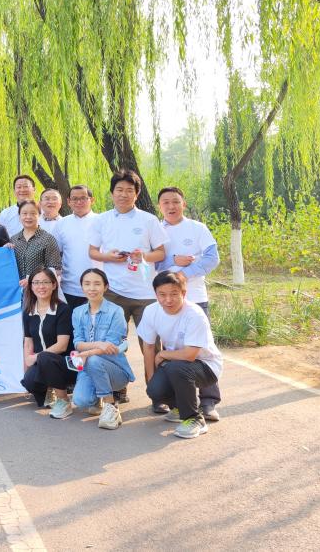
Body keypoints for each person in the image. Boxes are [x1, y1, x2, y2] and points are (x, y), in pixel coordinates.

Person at [88, 168, 168, 403]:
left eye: (129, 190)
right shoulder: (102, 220)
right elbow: (92, 251)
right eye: (119, 190)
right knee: (112, 344)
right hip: (113, 292)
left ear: (137, 193)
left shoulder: (149, 220)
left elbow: (161, 252)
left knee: (151, 345)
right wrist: (110, 257)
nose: (123, 194)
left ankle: (158, 394)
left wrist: (143, 256)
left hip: (145, 294)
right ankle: (117, 389)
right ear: (112, 192)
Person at [157, 185, 222, 421]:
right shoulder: (156, 231)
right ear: (159, 206)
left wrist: (183, 275)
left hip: (195, 296)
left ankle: (208, 401)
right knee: (171, 348)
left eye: (175, 201)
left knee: (202, 348)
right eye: (166, 202)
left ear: (183, 204)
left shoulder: (197, 228)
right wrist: (173, 260)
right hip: (166, 302)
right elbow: (150, 263)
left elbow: (212, 258)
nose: (171, 206)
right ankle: (176, 402)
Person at [138, 270, 223, 439]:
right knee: (155, 390)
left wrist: (163, 354)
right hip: (177, 363)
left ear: (184, 293)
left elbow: (190, 355)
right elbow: (148, 347)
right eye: (162, 294)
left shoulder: (194, 314)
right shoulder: (151, 311)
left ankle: (194, 419)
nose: (168, 300)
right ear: (155, 294)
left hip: (206, 367)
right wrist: (152, 379)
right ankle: (178, 407)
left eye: (174, 294)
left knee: (176, 368)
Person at [51, 268, 135, 430]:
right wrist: (99, 344)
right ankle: (97, 399)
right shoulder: (77, 312)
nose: (91, 288)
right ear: (82, 287)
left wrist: (88, 352)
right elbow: (78, 343)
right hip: (89, 367)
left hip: (115, 370)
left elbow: (110, 346)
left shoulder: (116, 311)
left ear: (106, 286)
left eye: (97, 284)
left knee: (94, 359)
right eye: (87, 284)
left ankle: (111, 406)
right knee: (81, 401)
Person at [20, 269, 73, 408]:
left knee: (45, 358)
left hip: (62, 363)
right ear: (31, 286)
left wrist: (36, 356)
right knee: (29, 381)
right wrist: (27, 367)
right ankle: (48, 388)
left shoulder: (63, 309)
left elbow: (62, 345)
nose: (41, 286)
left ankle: (63, 400)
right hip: (41, 361)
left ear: (54, 285)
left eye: (45, 282)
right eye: (36, 282)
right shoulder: (28, 311)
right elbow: (28, 342)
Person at [53, 185, 99, 307]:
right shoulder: (61, 223)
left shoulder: (101, 221)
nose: (79, 202)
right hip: (69, 288)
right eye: (74, 199)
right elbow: (55, 253)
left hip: (97, 287)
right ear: (68, 201)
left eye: (83, 198)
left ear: (92, 200)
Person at [9, 200, 61, 286]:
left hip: (39, 289)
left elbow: (56, 269)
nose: (28, 217)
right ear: (19, 216)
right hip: (16, 290)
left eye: (33, 213)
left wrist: (33, 279)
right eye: (24, 213)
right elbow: (6, 266)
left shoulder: (48, 239)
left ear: (39, 215)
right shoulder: (13, 239)